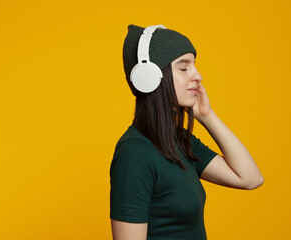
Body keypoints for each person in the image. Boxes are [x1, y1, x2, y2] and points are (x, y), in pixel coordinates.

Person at [109, 24, 264, 240]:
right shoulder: (134, 153)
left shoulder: (179, 140)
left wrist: (207, 116)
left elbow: (250, 178)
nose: (198, 76)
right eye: (184, 68)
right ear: (150, 78)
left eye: (194, 66)